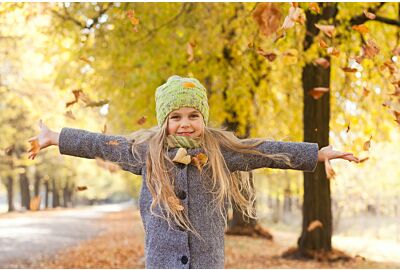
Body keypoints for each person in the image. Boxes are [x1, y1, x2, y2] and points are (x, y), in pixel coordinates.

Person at [28, 75, 359, 269]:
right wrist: (55, 137)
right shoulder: (147, 151)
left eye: (192, 115)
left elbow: (265, 150)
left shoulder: (220, 150)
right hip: (162, 260)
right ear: (164, 121)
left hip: (206, 260)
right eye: (176, 116)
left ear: (203, 117)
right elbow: (101, 144)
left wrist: (316, 152)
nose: (184, 123)